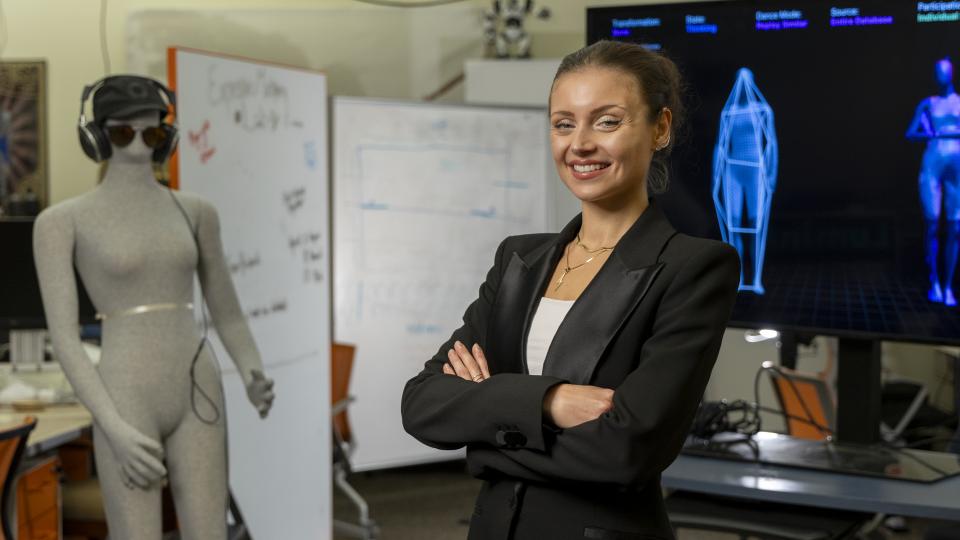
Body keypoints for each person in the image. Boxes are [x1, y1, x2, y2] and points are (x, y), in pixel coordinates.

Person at [401, 41, 740, 539]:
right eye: (564, 123)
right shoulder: (518, 260)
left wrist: (483, 434)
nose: (579, 143)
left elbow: (626, 451)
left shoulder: (694, 268)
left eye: (606, 121)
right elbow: (423, 404)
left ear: (660, 128)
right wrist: (547, 402)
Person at [33, 75, 275, 539]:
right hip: (123, 396)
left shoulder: (197, 210)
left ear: (168, 138)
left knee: (210, 533)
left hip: (197, 387)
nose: (141, 143)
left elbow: (227, 310)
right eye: (125, 131)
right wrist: (109, 425)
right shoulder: (61, 222)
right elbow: (64, 338)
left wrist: (251, 370)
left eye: (154, 132)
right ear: (97, 136)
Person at [906, 57, 960, 307]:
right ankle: (935, 282)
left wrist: (946, 133)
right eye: (937, 73)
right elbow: (910, 132)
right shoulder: (928, 103)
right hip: (932, 165)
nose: (941, 77)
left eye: (944, 72)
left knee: (954, 226)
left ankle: (948, 286)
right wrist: (929, 132)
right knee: (932, 224)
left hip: (956, 167)